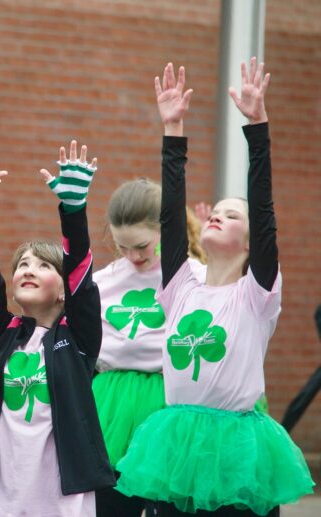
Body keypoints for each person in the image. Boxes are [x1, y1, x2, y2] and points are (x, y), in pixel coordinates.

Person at [115, 60, 314, 516]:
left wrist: (257, 126)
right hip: (178, 445)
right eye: (215, 210)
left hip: (237, 449)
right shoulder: (180, 286)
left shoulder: (256, 294)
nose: (217, 214)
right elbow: (170, 214)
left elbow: (263, 210)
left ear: (249, 245)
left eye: (232, 214)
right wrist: (172, 129)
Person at [0, 136, 113, 516]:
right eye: (22, 264)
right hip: (0, 489)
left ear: (61, 291)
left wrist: (73, 208)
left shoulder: (79, 338)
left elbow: (82, 279)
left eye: (42, 265)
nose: (28, 269)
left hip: (61, 490)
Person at [92, 178, 206, 516]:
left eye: (142, 246)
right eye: (122, 247)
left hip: (170, 405)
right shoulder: (101, 281)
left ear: (165, 230)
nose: (132, 256)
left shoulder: (196, 276)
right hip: (110, 408)